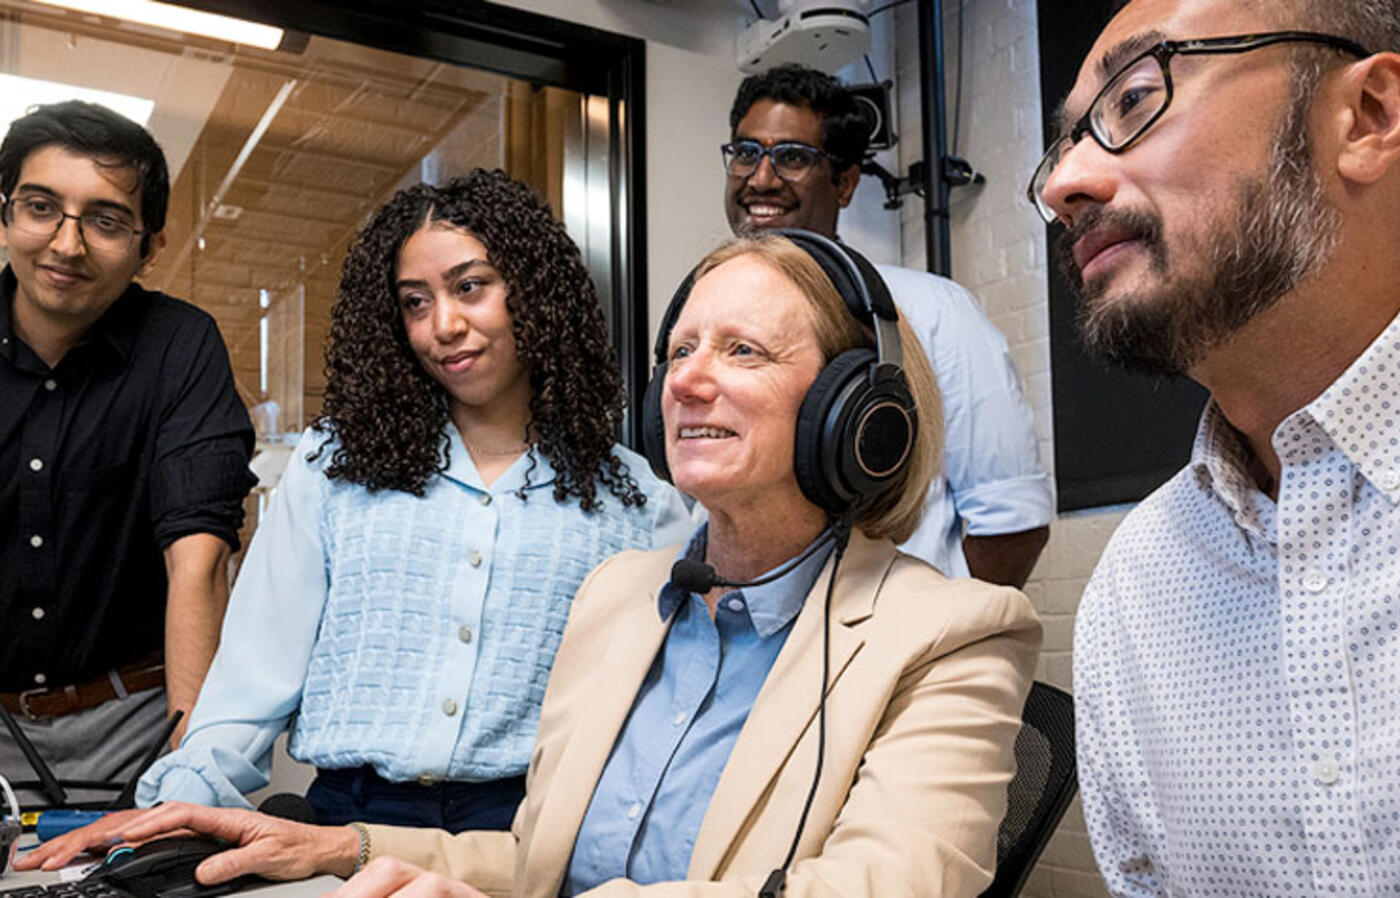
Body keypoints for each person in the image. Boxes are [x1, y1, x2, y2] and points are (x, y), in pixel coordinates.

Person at [20, 232, 1042, 898]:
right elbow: (533, 861)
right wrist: (343, 847)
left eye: (740, 351)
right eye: (679, 350)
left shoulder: (955, 632)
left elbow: (886, 884)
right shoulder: (622, 598)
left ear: (858, 416)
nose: (686, 379)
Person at [113, 171, 690, 832]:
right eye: (415, 303)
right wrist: (171, 812)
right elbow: (251, 678)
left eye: (471, 288)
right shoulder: (335, 468)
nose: (442, 326)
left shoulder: (638, 502)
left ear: (535, 292)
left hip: (532, 830)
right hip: (343, 821)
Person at [1027, 0, 1400, 893]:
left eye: (1132, 98)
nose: (1060, 186)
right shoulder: (1135, 591)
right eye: (1067, 139)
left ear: (1370, 117)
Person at [0, 100, 256, 803]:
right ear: (5, 215)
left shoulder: (179, 345)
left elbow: (197, 560)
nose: (66, 243)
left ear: (150, 247)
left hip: (134, 722)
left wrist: (192, 774)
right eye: (41, 207)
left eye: (107, 221)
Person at [723, 64, 1052, 587]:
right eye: (746, 153)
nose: (761, 178)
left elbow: (1012, 521)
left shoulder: (934, 312)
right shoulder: (715, 325)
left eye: (791, 158)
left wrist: (939, 641)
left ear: (845, 182)